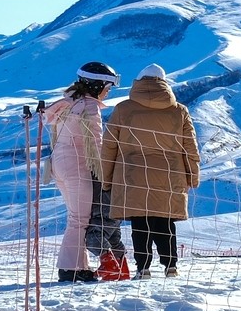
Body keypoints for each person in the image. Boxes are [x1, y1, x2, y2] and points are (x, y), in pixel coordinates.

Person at [100, 63, 200, 278]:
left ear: (138, 82)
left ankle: (143, 267)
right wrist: (193, 175)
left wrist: (106, 179)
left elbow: (109, 146)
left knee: (140, 222)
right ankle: (170, 266)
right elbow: (190, 146)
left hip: (132, 174)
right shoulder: (179, 110)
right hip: (170, 174)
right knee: (165, 221)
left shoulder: (123, 109)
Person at [44, 61, 128, 282]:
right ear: (96, 86)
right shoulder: (89, 107)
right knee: (80, 219)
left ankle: (79, 266)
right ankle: (69, 269)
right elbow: (96, 140)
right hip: (77, 165)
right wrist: (109, 167)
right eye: (107, 88)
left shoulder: (67, 103)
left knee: (76, 218)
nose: (107, 93)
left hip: (58, 164)